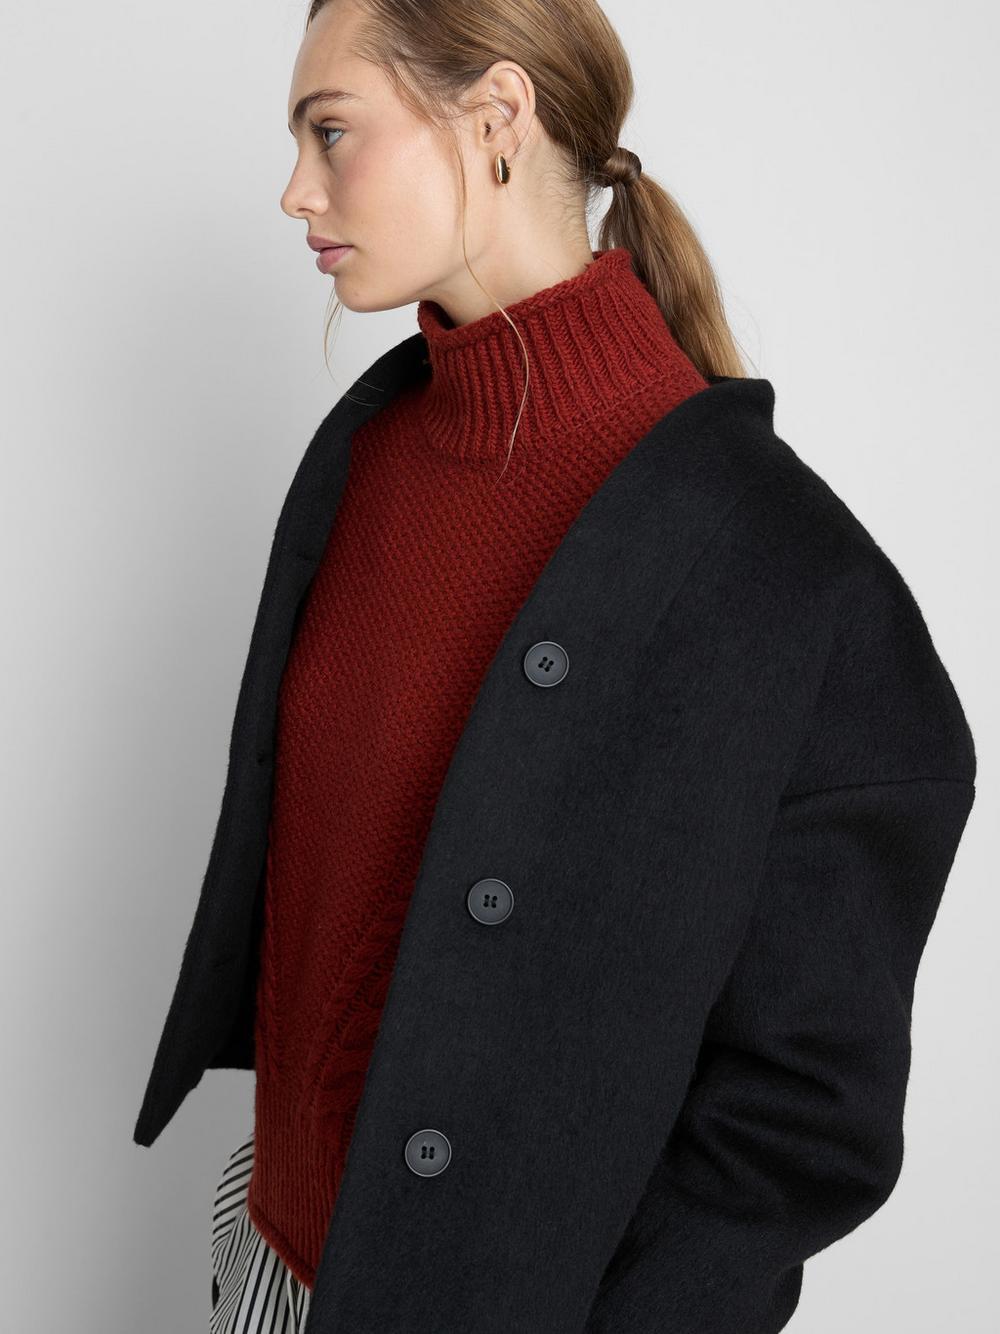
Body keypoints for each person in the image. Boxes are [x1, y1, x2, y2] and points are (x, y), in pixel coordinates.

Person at [134, 1, 977, 1331]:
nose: (296, 189)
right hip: (264, 1264)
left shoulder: (791, 579)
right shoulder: (366, 462)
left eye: (330, 131)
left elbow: (806, 1109)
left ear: (498, 117)